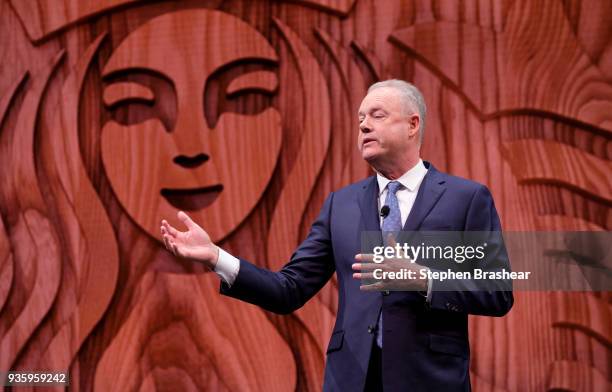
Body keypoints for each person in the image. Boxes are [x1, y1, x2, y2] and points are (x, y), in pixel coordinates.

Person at [160, 79, 514, 391]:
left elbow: (498, 292)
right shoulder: (340, 206)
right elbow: (289, 290)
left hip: (430, 379)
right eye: (360, 119)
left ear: (412, 125)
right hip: (352, 379)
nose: (363, 126)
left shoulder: (464, 198)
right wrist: (216, 257)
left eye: (377, 115)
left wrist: (423, 279)